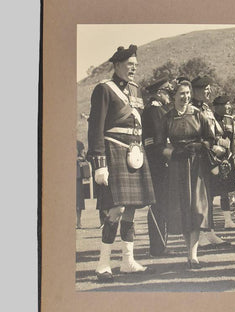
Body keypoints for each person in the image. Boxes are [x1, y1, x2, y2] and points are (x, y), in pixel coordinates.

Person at [87, 44, 156, 283]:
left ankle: (127, 261)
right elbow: (95, 128)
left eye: (135, 65)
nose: (133, 69)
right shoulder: (104, 89)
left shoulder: (136, 90)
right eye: (129, 65)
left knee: (132, 209)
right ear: (117, 66)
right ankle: (103, 264)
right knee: (116, 209)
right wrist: (99, 164)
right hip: (113, 151)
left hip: (135, 153)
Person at [158, 80, 214, 269]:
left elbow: (210, 139)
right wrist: (173, 153)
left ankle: (194, 255)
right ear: (174, 96)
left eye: (188, 93)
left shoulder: (198, 115)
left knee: (196, 208)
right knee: (182, 208)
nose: (186, 97)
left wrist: (200, 146)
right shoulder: (167, 118)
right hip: (177, 167)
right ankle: (188, 253)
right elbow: (159, 146)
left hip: (196, 165)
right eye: (182, 93)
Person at [191, 76, 231, 247]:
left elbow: (216, 131)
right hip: (199, 156)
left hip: (211, 157)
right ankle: (199, 234)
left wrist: (221, 144)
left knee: (208, 195)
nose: (208, 91)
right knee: (198, 197)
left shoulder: (206, 108)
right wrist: (214, 146)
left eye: (209, 88)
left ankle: (210, 231)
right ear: (197, 90)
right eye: (205, 88)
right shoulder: (191, 108)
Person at [142, 77, 173, 257]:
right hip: (157, 163)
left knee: (162, 204)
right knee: (158, 205)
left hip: (160, 162)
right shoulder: (154, 110)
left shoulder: (159, 109)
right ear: (159, 93)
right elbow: (156, 141)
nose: (169, 96)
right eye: (167, 92)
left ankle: (161, 245)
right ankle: (157, 247)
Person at [211, 95, 235, 229]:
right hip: (214, 158)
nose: (229, 107)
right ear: (217, 106)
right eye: (226, 104)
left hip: (227, 159)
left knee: (225, 190)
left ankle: (228, 220)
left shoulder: (230, 120)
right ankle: (209, 223)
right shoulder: (210, 119)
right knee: (211, 191)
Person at [76, 140, 86, 229]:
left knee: (78, 200)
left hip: (76, 175)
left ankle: (78, 221)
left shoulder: (79, 144)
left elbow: (83, 157)